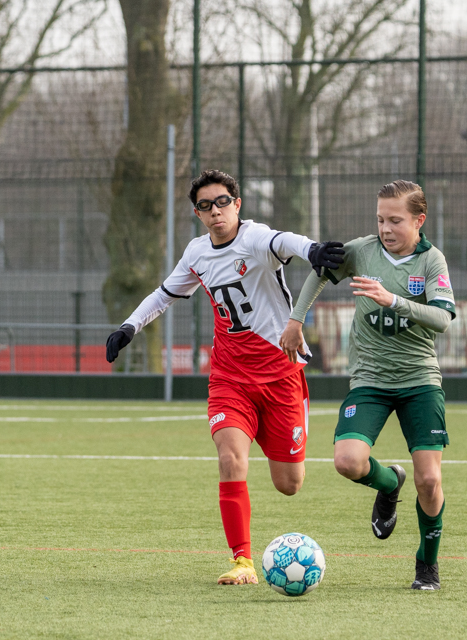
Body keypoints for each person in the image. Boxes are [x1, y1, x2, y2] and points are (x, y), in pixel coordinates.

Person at [105, 169, 345, 586]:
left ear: (237, 205)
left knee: (289, 484)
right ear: (196, 213)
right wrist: (128, 327)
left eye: (221, 202)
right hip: (229, 378)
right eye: (205, 206)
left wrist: (314, 250)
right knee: (230, 457)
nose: (215, 211)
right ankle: (242, 561)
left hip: (280, 376)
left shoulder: (254, 238)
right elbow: (163, 295)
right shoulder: (197, 253)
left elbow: (284, 241)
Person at [279, 179, 456, 591]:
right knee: (347, 462)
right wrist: (295, 319)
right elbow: (319, 274)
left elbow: (443, 319)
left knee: (430, 480)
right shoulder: (362, 251)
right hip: (371, 379)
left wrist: (391, 299)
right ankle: (390, 483)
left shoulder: (432, 262)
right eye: (380, 219)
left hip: (419, 381)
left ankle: (426, 565)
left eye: (395, 220)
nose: (386, 228)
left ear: (419, 220)